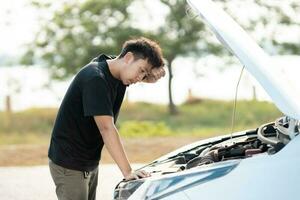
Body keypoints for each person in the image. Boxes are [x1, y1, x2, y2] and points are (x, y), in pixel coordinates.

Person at [48, 37, 165, 200]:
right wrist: (128, 172)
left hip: (88, 161)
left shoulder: (116, 71)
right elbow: (106, 128)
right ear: (128, 57)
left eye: (144, 74)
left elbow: (138, 73)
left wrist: (151, 75)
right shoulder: (96, 78)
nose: (140, 78)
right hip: (69, 163)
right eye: (141, 70)